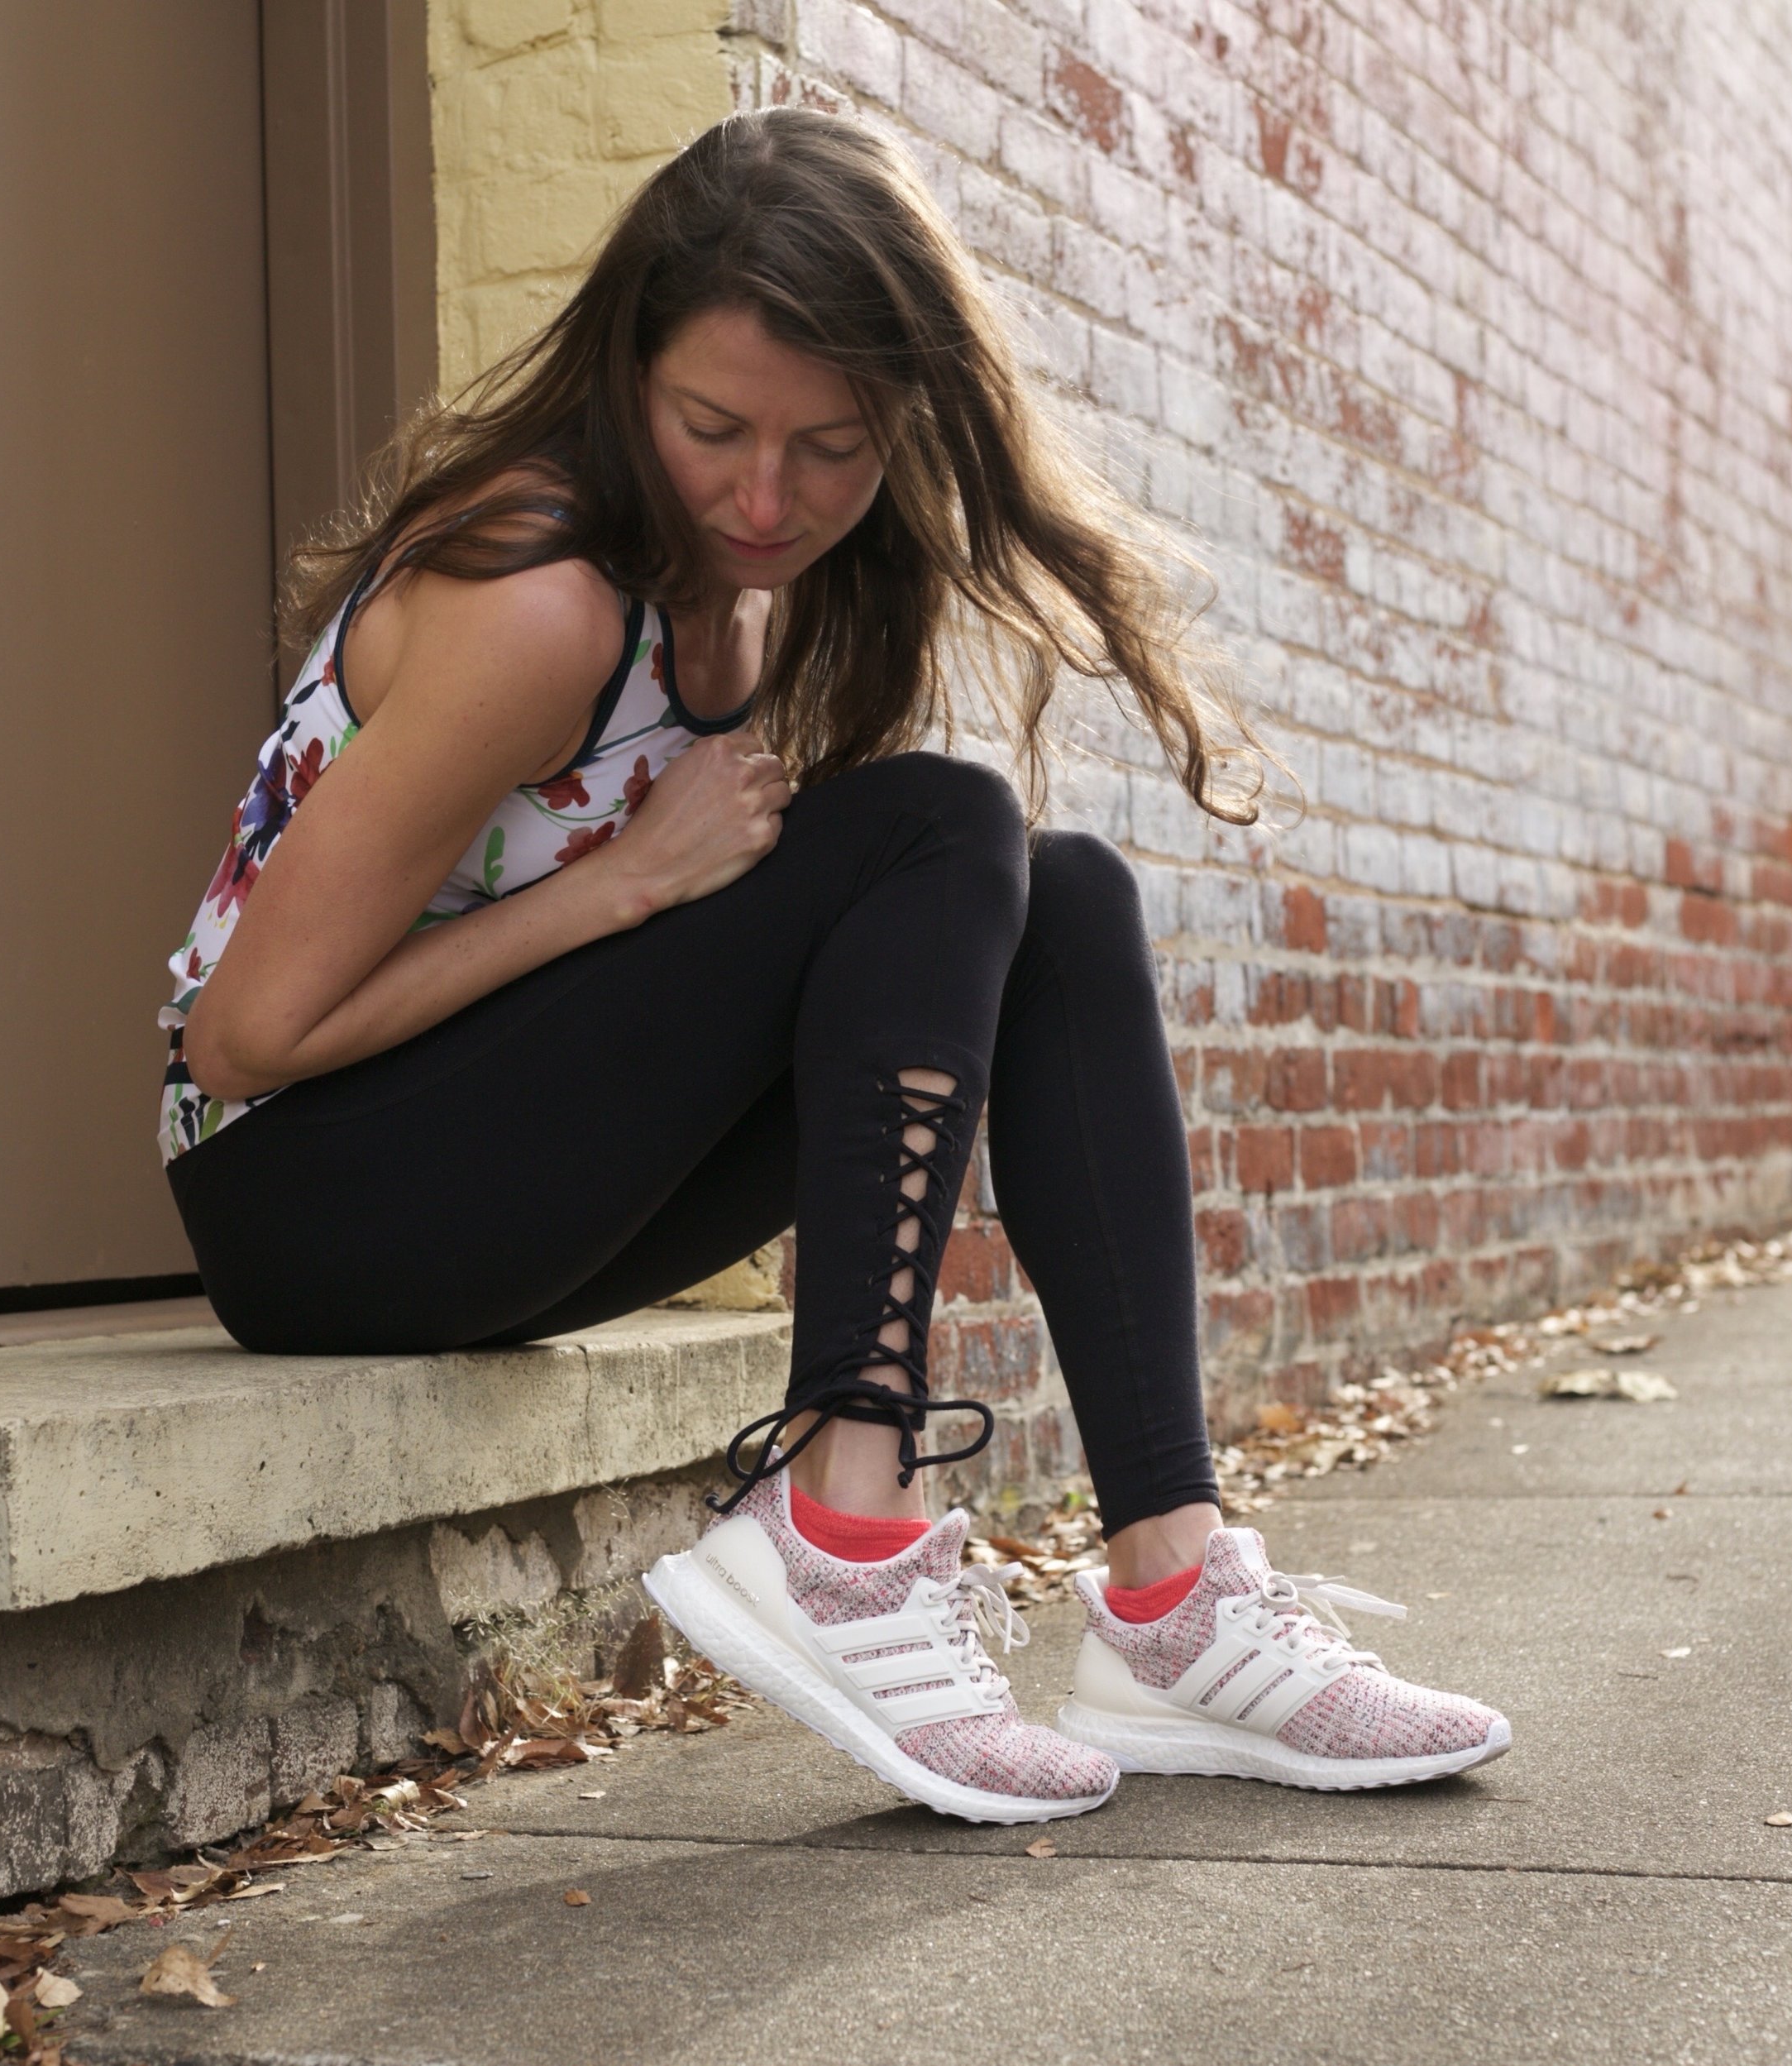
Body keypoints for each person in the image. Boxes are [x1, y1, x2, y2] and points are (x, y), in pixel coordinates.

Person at [160, 108, 1509, 1825]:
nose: (764, 496)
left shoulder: (763, 588)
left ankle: (1171, 1585)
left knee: (1063, 892)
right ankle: (840, 1528)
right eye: (711, 427)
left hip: (488, 1168)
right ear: (624, 369)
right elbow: (247, 1036)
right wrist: (626, 883)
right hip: (304, 1198)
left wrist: (656, 895)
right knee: (945, 824)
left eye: (833, 447)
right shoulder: (544, 597)